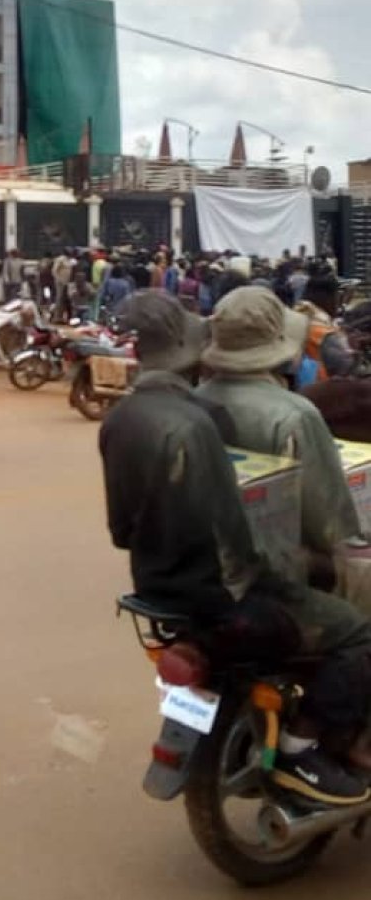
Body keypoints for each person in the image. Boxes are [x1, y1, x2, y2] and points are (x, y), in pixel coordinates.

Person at [101, 290, 371, 805]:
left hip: (175, 578)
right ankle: (313, 744)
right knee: (359, 626)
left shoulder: (189, 403)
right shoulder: (294, 415)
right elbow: (332, 528)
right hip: (262, 579)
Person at [199, 286, 362, 580]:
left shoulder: (194, 399)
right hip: (279, 571)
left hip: (214, 561)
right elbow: (329, 526)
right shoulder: (295, 414)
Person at [296, 266, 356, 381]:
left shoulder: (296, 314)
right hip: (321, 388)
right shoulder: (326, 334)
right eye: (337, 298)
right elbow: (346, 367)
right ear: (329, 298)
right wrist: (355, 348)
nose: (338, 304)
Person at [51, 248, 75, 322]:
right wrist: (59, 280)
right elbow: (54, 271)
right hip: (60, 283)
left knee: (66, 300)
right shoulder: (60, 259)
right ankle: (57, 317)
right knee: (59, 299)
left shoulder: (70, 260)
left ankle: (62, 317)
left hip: (67, 283)